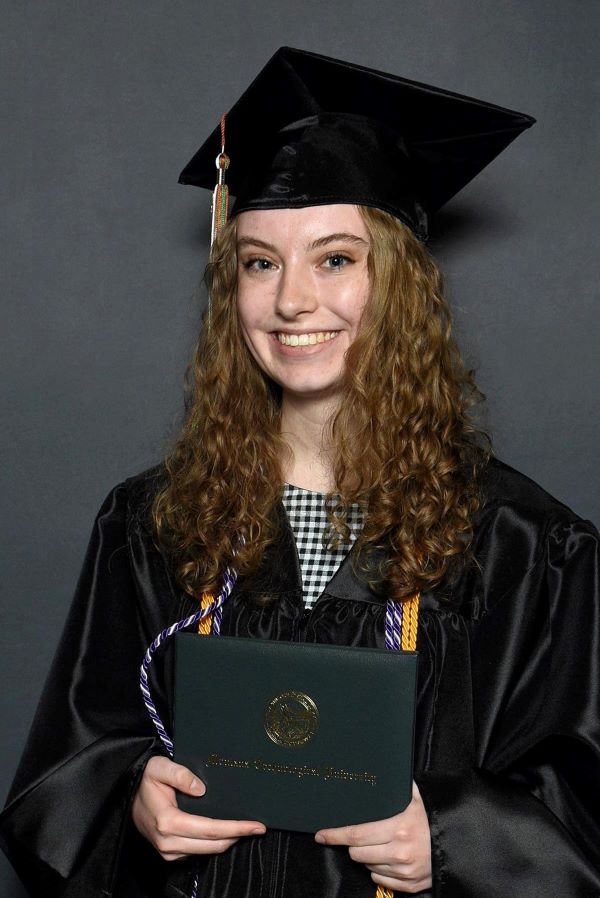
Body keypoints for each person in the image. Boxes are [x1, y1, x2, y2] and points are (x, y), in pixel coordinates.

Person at [1, 47, 599, 898]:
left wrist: (465, 837)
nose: (290, 302)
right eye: (259, 262)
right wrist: (131, 795)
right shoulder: (154, 522)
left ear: (399, 284)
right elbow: (65, 765)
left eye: (335, 259)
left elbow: (582, 804)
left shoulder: (524, 544)